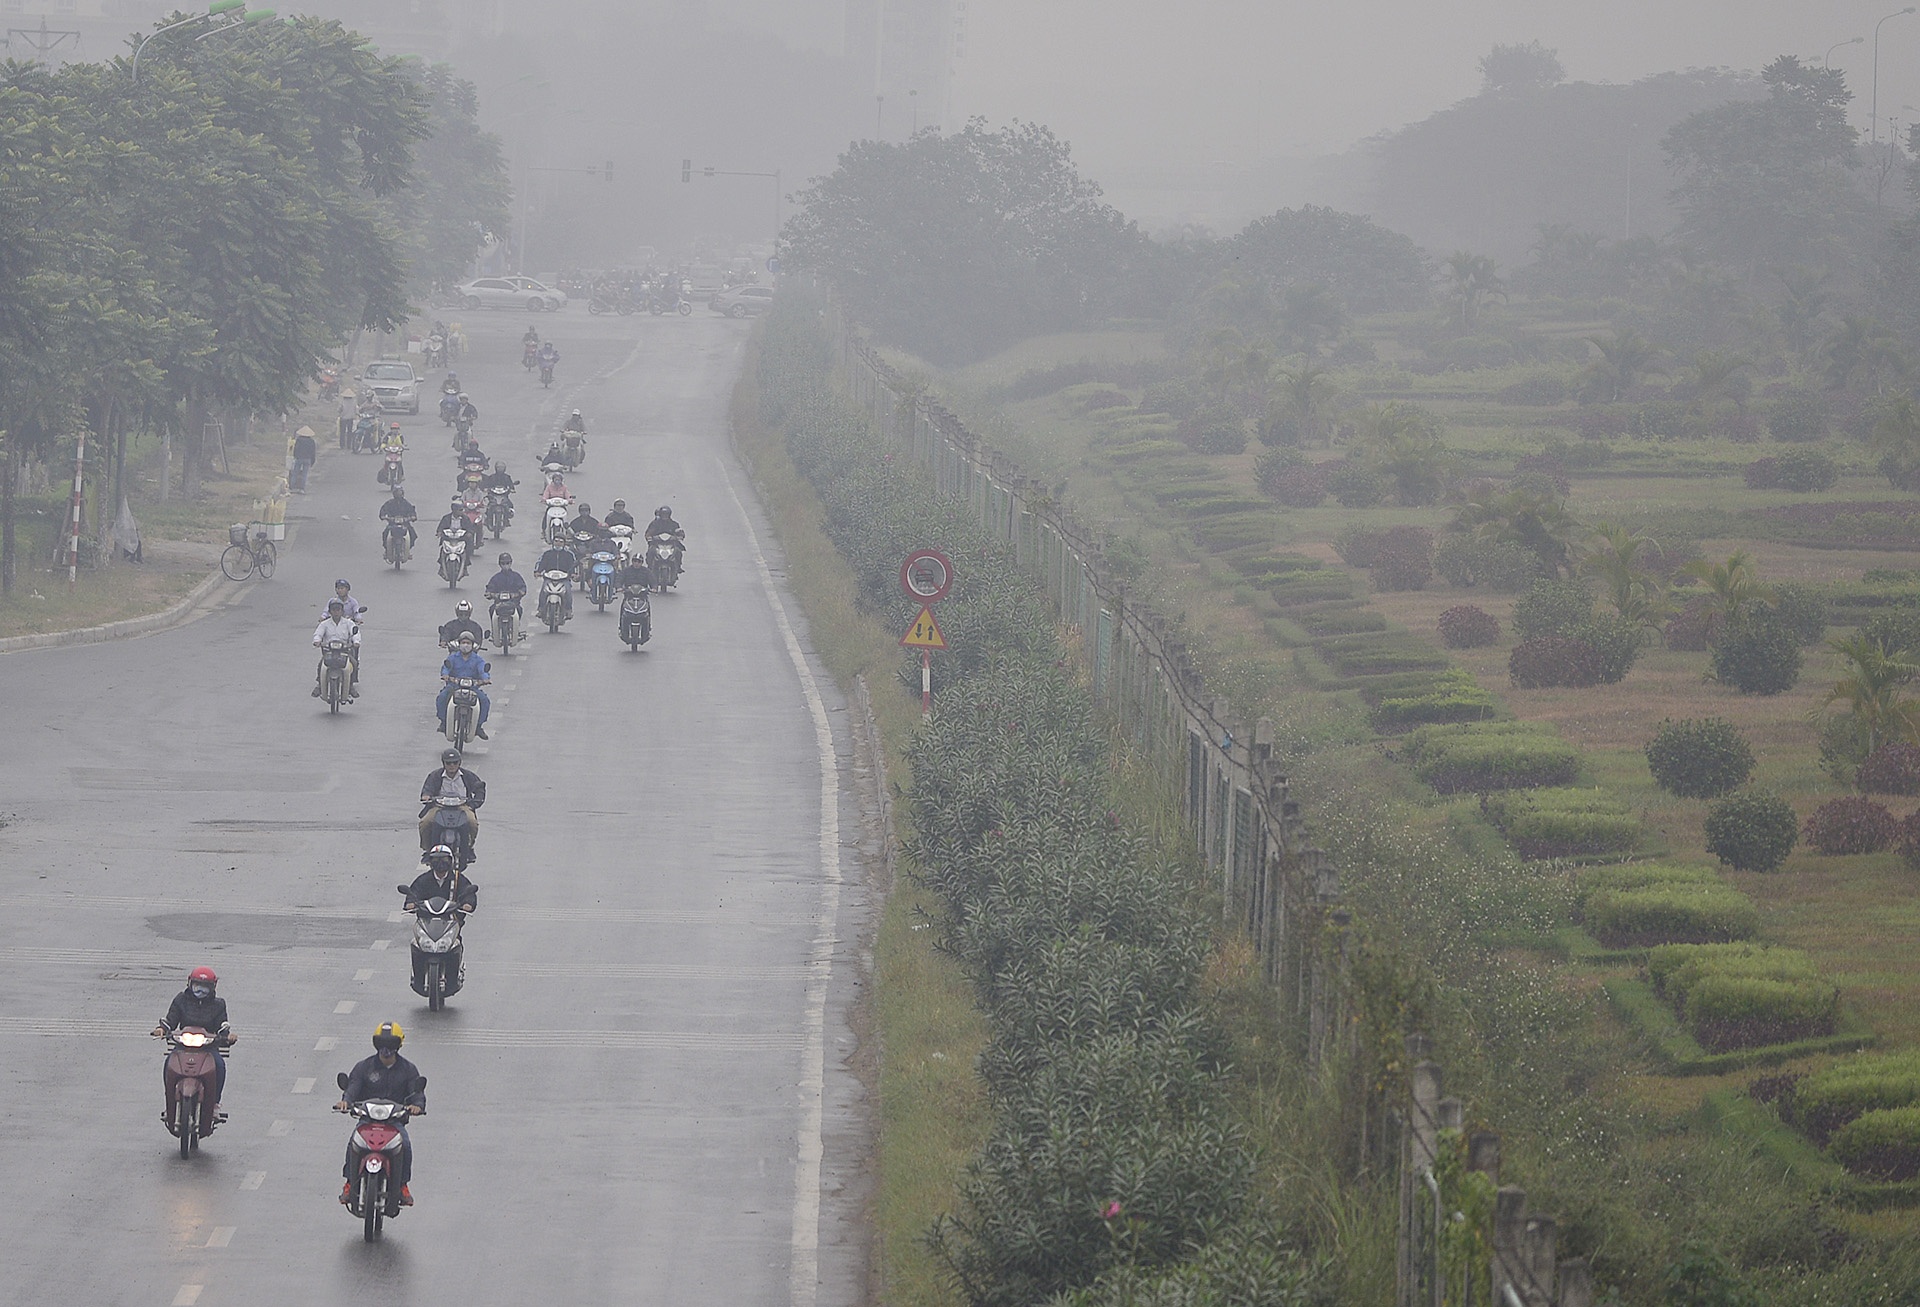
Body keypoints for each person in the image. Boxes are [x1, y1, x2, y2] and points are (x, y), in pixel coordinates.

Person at [337, 1023, 425, 1207]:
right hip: (367, 1120)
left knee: (405, 1145)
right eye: (381, 1045)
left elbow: (417, 1094)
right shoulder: (364, 1067)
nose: (386, 1050)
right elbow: (352, 1088)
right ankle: (349, 1183)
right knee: (353, 1143)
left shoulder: (408, 1069)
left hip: (394, 1123)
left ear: (398, 1046)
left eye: (390, 1045)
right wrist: (346, 1101)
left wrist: (416, 1106)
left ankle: (402, 1185)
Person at [153, 965, 235, 1122]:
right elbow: (170, 1020)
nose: (200, 990)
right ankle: (169, 1104)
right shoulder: (180, 1000)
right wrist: (162, 1029)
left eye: (205, 987)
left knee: (219, 1065)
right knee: (169, 1064)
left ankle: (215, 1105)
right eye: (198, 986)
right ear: (190, 984)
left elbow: (222, 1026)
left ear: (212, 988)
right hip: (183, 1045)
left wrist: (228, 1036)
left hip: (208, 1047)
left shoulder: (219, 1005)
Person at [403, 849, 477, 996]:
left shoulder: (458, 879)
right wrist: (410, 903)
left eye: (444, 860)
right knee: (416, 945)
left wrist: (468, 904)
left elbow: (469, 893)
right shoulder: (423, 880)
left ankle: (454, 977)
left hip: (450, 921)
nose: (440, 864)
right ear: (430, 862)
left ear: (451, 861)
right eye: (436, 860)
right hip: (426, 922)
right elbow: (413, 893)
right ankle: (417, 978)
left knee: (455, 944)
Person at [420, 748, 485, 853]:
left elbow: (479, 789)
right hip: (439, 806)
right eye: (448, 763)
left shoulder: (468, 776)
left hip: (462, 806)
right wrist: (426, 796)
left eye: (455, 762)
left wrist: (473, 804)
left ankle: (469, 847)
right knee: (425, 823)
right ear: (443, 763)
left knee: (473, 823)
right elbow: (427, 789)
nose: (452, 765)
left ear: (459, 763)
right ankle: (428, 850)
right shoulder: (435, 776)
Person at [435, 635, 490, 740]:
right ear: (459, 644)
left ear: (472, 645)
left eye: (468, 643)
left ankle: (478, 726)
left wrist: (485, 679)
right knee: (442, 697)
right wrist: (445, 675)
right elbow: (446, 668)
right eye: (463, 642)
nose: (465, 645)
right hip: (454, 686)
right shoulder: (452, 657)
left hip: (472, 687)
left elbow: (483, 670)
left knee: (484, 701)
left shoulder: (478, 659)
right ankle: (443, 722)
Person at [312, 598, 361, 698]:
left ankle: (351, 686)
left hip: (345, 651)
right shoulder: (324, 624)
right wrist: (317, 641)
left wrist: (356, 642)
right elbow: (318, 634)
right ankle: (320, 685)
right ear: (330, 612)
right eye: (334, 610)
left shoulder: (348, 623)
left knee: (354, 664)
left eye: (338, 610)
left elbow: (355, 633)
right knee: (321, 665)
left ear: (342, 611)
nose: (336, 612)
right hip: (329, 651)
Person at [536, 538, 579, 619]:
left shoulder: (569, 554)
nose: (558, 543)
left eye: (561, 542)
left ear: (564, 543)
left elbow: (573, 565)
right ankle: (541, 609)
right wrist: (537, 571)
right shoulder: (547, 554)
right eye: (556, 541)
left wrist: (573, 574)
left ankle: (568, 610)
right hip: (549, 578)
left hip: (564, 579)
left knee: (568, 592)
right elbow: (541, 563)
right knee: (543, 591)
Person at [436, 497, 476, 572]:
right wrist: (439, 532)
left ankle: (465, 567)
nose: (462, 511)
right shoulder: (446, 518)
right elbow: (440, 527)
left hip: (461, 538)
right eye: (460, 510)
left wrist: (469, 533)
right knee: (443, 549)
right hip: (448, 538)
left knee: (466, 549)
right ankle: (442, 566)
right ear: (454, 510)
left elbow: (470, 528)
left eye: (462, 509)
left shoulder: (465, 518)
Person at [486, 553, 527, 621]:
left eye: (507, 563)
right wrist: (490, 594)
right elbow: (489, 589)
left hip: (513, 603)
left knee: (519, 610)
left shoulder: (516, 576)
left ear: (511, 563)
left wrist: (518, 593)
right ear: (499, 564)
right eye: (503, 563)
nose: (505, 565)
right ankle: (495, 629)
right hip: (499, 604)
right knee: (491, 610)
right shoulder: (496, 578)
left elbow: (523, 588)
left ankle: (516, 628)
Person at [648, 504, 686, 573]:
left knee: (678, 551)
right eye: (663, 514)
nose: (665, 516)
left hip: (671, 544)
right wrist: (650, 538)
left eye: (666, 514)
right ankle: (650, 567)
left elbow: (680, 532)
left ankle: (678, 566)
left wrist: (680, 536)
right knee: (650, 551)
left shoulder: (674, 524)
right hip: (657, 544)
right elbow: (649, 533)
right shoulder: (655, 523)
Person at [291, 427, 317, 493]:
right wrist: (313, 461)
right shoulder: (312, 441)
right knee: (304, 474)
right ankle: (302, 489)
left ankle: (292, 487)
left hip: (299, 458)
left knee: (295, 472)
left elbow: (296, 449)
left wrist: (295, 456)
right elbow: (313, 452)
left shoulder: (299, 440)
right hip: (307, 459)